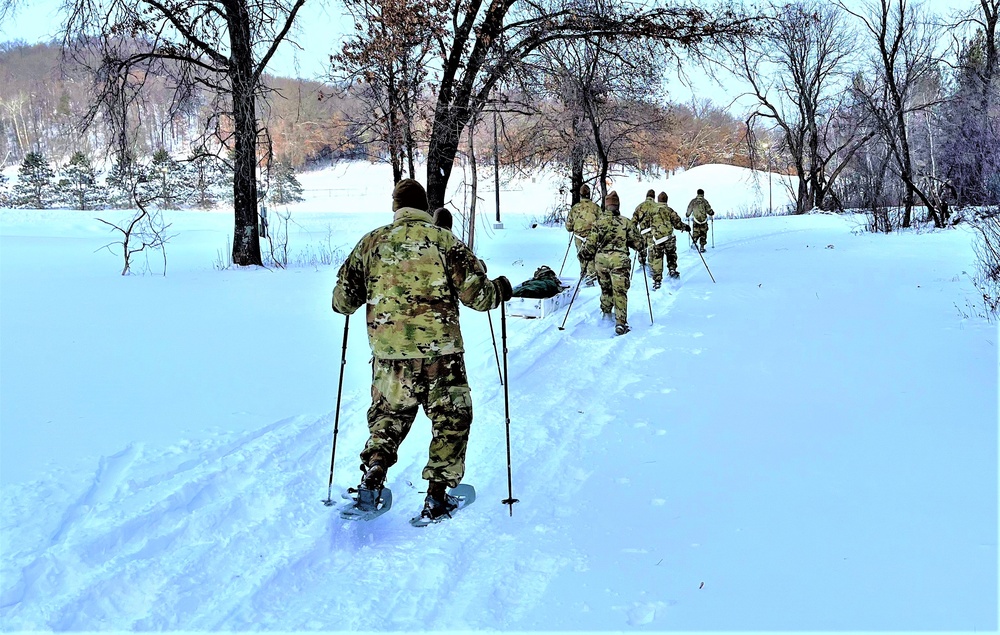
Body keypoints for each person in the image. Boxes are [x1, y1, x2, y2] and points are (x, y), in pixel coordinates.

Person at [331, 179, 513, 521]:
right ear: (425, 207)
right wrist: (501, 287)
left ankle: (374, 474)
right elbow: (481, 297)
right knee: (450, 419)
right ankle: (438, 496)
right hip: (441, 355)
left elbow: (342, 301)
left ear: (395, 207)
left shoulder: (371, 243)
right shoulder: (444, 241)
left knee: (388, 416)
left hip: (389, 355)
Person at [579, 191, 644, 335]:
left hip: (601, 261)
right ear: (618, 205)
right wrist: (640, 247)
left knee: (606, 288)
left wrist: (585, 256)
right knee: (619, 291)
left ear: (606, 205)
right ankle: (620, 323)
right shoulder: (626, 222)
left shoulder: (598, 223)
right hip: (620, 261)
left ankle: (606, 315)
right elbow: (638, 243)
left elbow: (590, 246)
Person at [649, 192, 691, 288]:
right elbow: (677, 224)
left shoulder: (652, 211)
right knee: (671, 254)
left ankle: (657, 280)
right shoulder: (669, 210)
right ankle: (672, 270)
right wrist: (685, 227)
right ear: (666, 200)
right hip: (669, 238)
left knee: (657, 258)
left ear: (658, 200)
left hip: (656, 239)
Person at [565, 183, 602, 285]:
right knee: (592, 255)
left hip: (578, 237)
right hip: (593, 237)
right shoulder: (596, 208)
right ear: (589, 194)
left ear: (580, 194)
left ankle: (585, 274)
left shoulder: (575, 208)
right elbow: (602, 223)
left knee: (581, 255)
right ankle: (592, 275)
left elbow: (568, 226)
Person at [631, 189, 659, 269]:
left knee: (642, 247)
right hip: (653, 232)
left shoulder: (640, 206)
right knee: (652, 248)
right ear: (654, 197)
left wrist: (634, 233)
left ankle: (642, 263)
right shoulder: (657, 206)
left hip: (642, 232)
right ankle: (652, 266)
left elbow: (633, 222)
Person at [685, 188, 715, 253]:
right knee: (703, 234)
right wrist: (712, 213)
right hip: (704, 221)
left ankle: (694, 242)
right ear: (703, 194)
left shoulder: (693, 201)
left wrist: (687, 214)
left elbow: (689, 210)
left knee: (696, 232)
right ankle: (702, 247)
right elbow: (709, 210)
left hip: (696, 220)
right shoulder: (705, 201)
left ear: (697, 193)